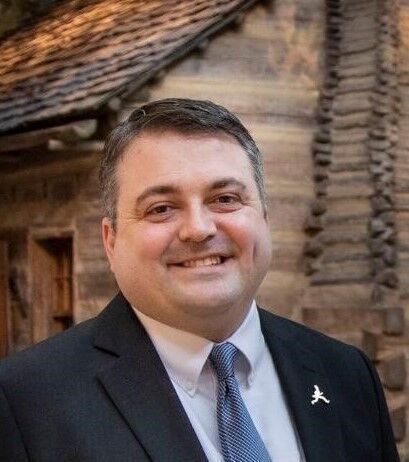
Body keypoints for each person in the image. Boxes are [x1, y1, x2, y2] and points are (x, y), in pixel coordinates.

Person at [0, 99, 399, 462]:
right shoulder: (23, 402)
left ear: (264, 218)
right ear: (111, 240)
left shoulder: (346, 374)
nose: (199, 229)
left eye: (225, 199)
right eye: (161, 208)